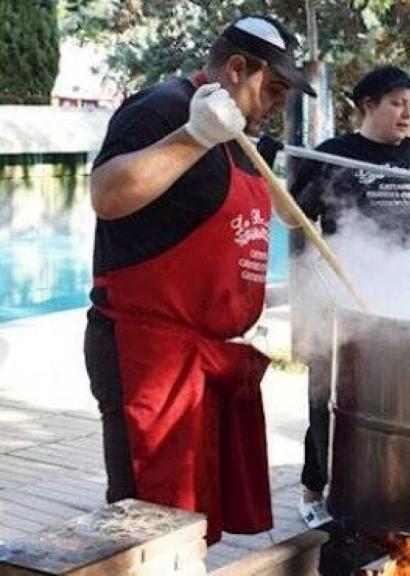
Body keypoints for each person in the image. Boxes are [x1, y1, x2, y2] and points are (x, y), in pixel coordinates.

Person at [85, 15, 316, 544]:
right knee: (148, 530)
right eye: (275, 86)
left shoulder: (241, 133)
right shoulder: (164, 109)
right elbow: (107, 194)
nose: (281, 101)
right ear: (237, 68)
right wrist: (192, 136)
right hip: (150, 359)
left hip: (208, 358)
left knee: (190, 529)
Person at [287, 65, 410, 528]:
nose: (407, 113)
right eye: (397, 103)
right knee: (329, 396)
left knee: (404, 398)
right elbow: (293, 217)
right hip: (345, 293)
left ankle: (391, 487)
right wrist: (273, 172)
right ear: (368, 105)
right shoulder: (333, 155)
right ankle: (314, 490)